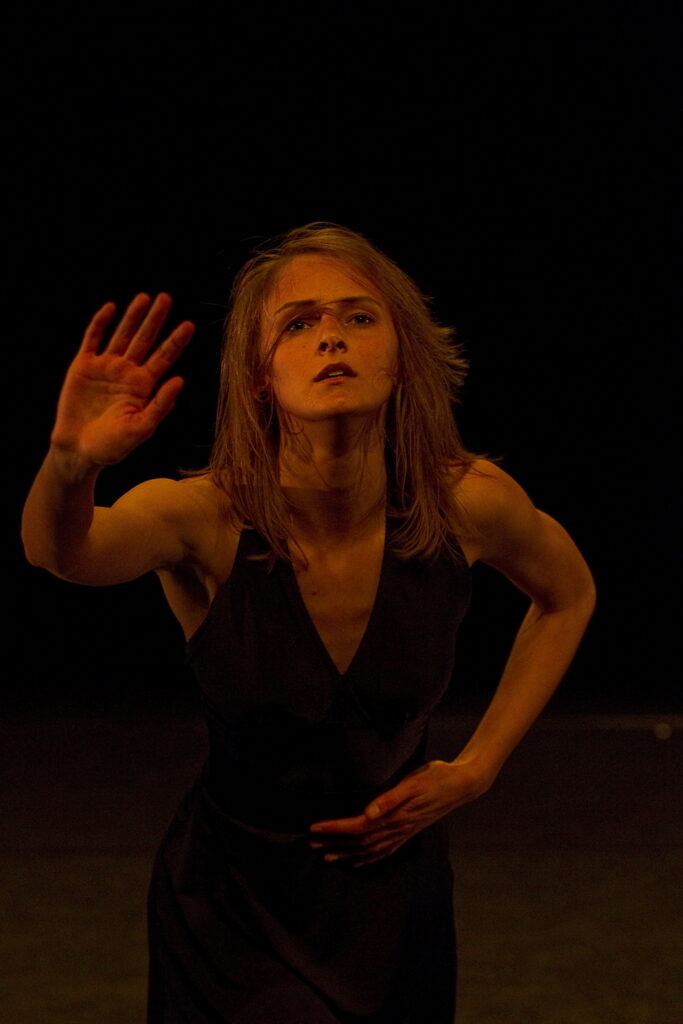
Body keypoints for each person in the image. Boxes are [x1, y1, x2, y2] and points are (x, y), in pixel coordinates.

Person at [22, 223, 596, 1023]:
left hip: (395, 901)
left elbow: (568, 595)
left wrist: (477, 767)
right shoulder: (205, 517)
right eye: (298, 324)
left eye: (358, 317)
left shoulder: (467, 502)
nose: (331, 336)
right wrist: (71, 463)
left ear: (402, 356)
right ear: (258, 377)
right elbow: (61, 552)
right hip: (233, 909)